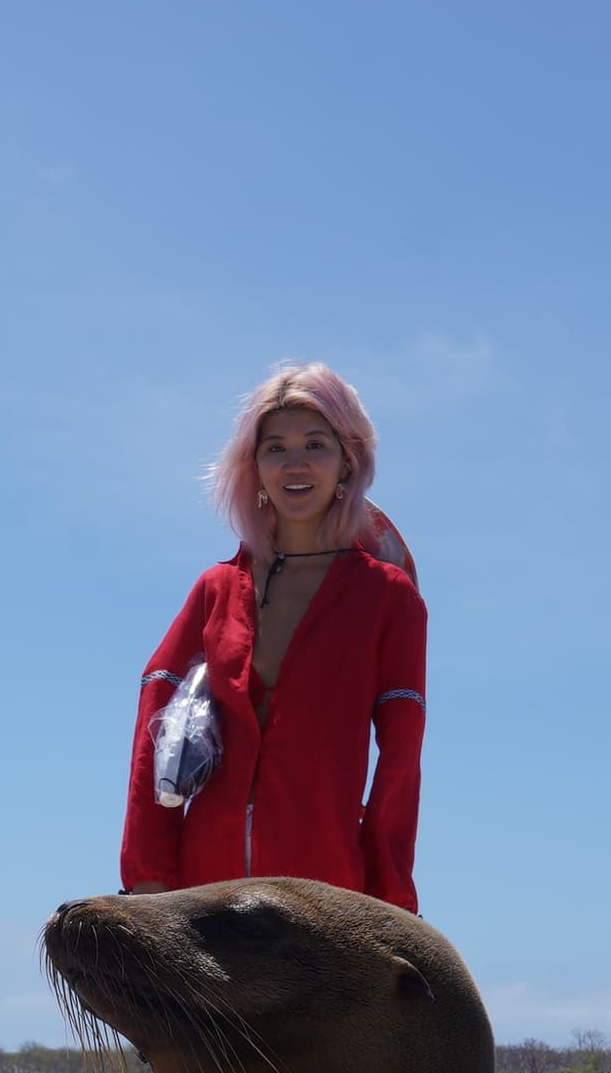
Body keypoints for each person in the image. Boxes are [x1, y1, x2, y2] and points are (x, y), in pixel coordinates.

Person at [120, 362, 427, 908]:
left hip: (325, 888)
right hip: (203, 885)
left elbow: (400, 758)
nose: (295, 463)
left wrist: (389, 894)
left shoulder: (390, 598)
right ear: (254, 466)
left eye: (316, 444)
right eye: (275, 448)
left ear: (348, 460)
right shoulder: (214, 589)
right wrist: (149, 872)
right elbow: (155, 719)